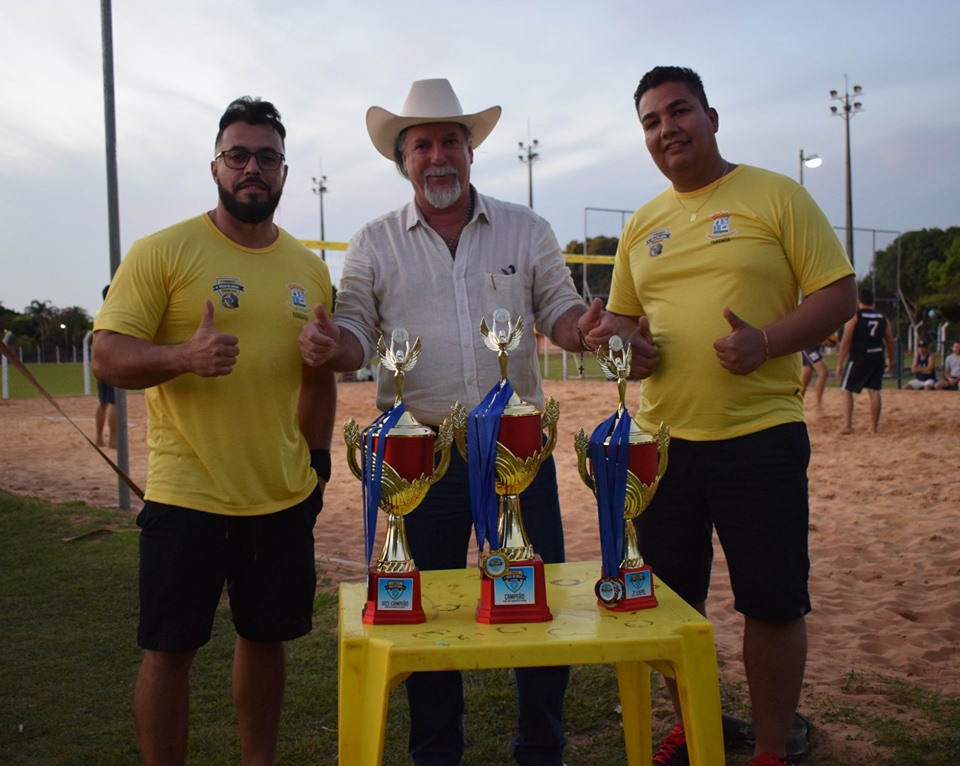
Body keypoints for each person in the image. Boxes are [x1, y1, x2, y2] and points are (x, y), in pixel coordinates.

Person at [299, 78, 617, 766]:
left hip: (518, 452)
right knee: (425, 616)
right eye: (422, 145)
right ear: (402, 160)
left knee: (537, 606)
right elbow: (354, 329)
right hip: (420, 460)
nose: (437, 156)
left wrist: (584, 328)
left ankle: (542, 747)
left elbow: (559, 311)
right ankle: (437, 753)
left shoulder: (525, 229)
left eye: (450, 141)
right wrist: (334, 348)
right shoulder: (373, 242)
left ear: (471, 153)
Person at [602, 66, 856, 766]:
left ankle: (772, 749)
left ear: (711, 117)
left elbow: (839, 297)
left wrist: (767, 341)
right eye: (651, 122)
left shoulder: (776, 195)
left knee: (771, 604)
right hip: (663, 444)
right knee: (671, 608)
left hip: (760, 437)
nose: (666, 129)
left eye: (677, 112)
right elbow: (624, 324)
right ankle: (697, 727)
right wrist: (626, 345)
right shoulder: (643, 225)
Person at [92, 96, 336, 766]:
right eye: (238, 156)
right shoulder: (163, 251)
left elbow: (319, 379)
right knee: (170, 650)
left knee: (265, 640)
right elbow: (106, 353)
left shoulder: (309, 269)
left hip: (281, 495)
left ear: (284, 172)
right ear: (215, 167)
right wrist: (181, 357)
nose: (251, 168)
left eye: (266, 157)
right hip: (187, 494)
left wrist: (316, 464)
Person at [836, 288, 894, 434]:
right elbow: (889, 341)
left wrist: (839, 363)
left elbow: (846, 341)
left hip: (859, 357)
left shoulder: (855, 317)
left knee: (846, 390)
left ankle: (847, 425)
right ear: (873, 301)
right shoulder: (883, 318)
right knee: (874, 391)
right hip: (877, 355)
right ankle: (874, 427)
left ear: (859, 301)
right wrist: (891, 361)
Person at [94, 283, 117, 449]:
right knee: (115, 403)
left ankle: (99, 438)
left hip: (100, 362)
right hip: (113, 362)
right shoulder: (113, 313)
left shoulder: (99, 313)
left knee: (103, 402)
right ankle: (114, 440)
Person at [800, 344, 829, 415]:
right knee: (823, 372)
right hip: (808, 346)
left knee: (806, 377)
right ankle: (818, 406)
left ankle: (797, 403)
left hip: (813, 347)